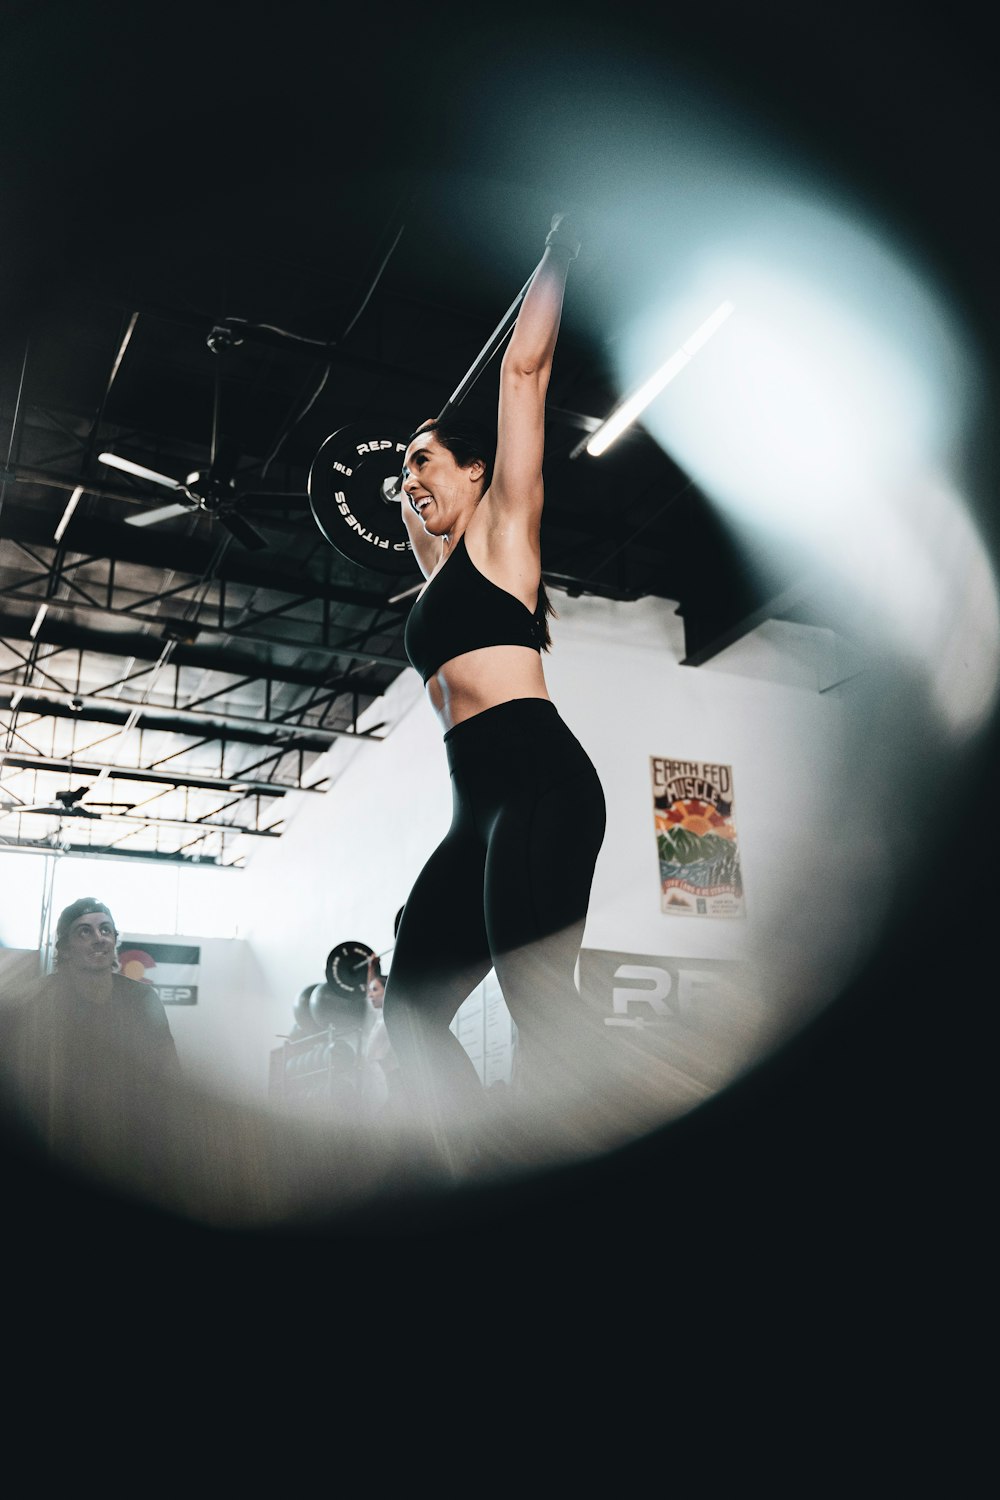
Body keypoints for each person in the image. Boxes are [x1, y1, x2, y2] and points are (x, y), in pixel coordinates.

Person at [382, 215, 607, 1154]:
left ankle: (594, 1160)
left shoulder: (506, 533)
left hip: (540, 785)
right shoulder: (436, 579)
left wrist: (558, 256)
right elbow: (410, 518)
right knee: (407, 1016)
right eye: (405, 469)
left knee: (538, 1002)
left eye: (426, 461)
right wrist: (397, 477)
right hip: (472, 814)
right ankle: (476, 1164)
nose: (412, 478)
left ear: (479, 470)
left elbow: (524, 376)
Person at [4, 897, 181, 1165]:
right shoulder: (35, 1000)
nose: (99, 938)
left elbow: (168, 1075)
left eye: (106, 929)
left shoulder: (142, 999)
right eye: (84, 931)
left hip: (130, 1148)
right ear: (64, 948)